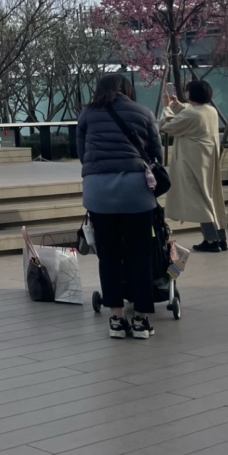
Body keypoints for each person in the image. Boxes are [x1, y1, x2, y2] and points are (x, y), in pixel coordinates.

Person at [77, 73, 163, 341]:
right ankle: (140, 320)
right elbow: (158, 154)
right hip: (136, 193)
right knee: (140, 255)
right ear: (127, 89)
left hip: (98, 193)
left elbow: (81, 153)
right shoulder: (143, 111)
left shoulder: (87, 115)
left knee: (109, 256)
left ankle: (116, 318)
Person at [160, 79, 228, 252]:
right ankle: (220, 238)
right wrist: (176, 105)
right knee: (210, 197)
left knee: (199, 200)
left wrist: (167, 107)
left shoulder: (193, 114)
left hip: (191, 161)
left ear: (193, 94)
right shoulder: (210, 110)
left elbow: (167, 126)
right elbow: (188, 112)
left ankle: (211, 240)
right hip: (206, 160)